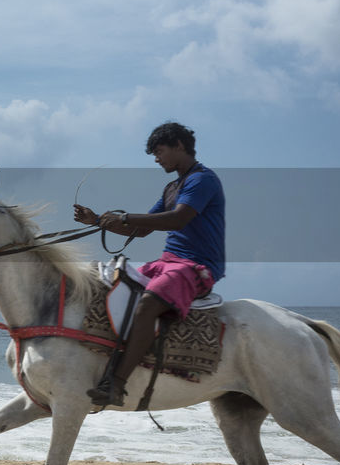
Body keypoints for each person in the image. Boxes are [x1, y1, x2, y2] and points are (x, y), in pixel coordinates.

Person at [73, 121, 226, 407]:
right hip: (167, 262)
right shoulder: (172, 187)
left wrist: (125, 217)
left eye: (160, 151)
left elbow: (178, 219)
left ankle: (116, 385)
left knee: (147, 305)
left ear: (179, 146)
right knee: (112, 285)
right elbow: (143, 230)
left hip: (197, 266)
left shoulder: (202, 180)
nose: (157, 159)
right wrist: (96, 220)